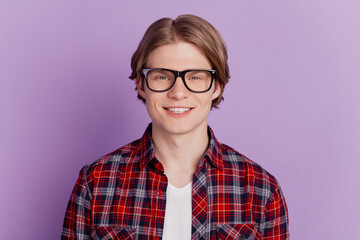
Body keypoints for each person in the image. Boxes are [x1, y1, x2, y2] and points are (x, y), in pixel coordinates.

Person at [61, 14, 289, 240]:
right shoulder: (96, 182)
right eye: (162, 77)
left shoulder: (260, 190)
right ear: (141, 84)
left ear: (217, 86)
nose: (178, 93)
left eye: (196, 77)